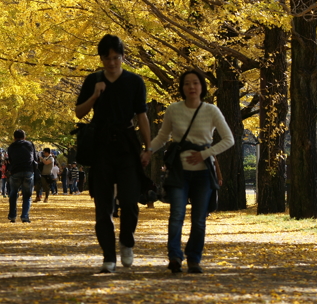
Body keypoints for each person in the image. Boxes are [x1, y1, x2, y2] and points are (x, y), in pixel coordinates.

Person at [74, 34, 153, 273]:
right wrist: (95, 95)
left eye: (116, 57)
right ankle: (108, 256)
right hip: (101, 147)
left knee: (129, 201)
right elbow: (79, 113)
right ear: (101, 58)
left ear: (123, 57)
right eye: (107, 58)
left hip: (127, 145)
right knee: (103, 206)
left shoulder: (134, 82)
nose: (112, 62)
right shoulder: (93, 80)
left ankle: (126, 242)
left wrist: (148, 148)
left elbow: (142, 116)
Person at [150, 69, 234, 274]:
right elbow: (162, 137)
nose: (191, 87)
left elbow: (229, 140)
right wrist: (147, 151)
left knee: (198, 219)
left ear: (202, 87)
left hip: (203, 174)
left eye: (195, 83)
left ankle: (194, 258)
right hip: (179, 172)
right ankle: (175, 256)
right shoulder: (173, 110)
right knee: (176, 214)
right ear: (182, 87)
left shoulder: (212, 111)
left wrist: (206, 154)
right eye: (187, 83)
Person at [6, 129, 37, 223]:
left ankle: (12, 216)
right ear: (24, 137)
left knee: (13, 193)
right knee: (27, 195)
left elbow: (10, 160)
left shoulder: (11, 146)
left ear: (14, 138)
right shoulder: (30, 144)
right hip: (28, 170)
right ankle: (25, 216)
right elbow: (34, 158)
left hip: (15, 171)